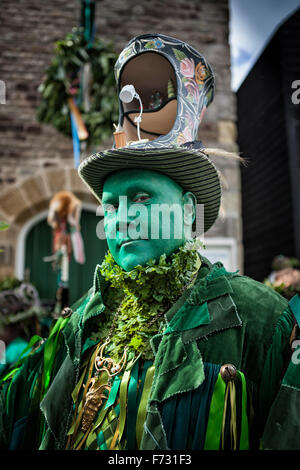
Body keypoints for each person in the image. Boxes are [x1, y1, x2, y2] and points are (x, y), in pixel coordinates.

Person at [1, 34, 300, 451]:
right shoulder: (81, 321)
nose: (123, 218)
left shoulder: (259, 319)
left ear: (186, 208)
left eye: (142, 198)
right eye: (111, 206)